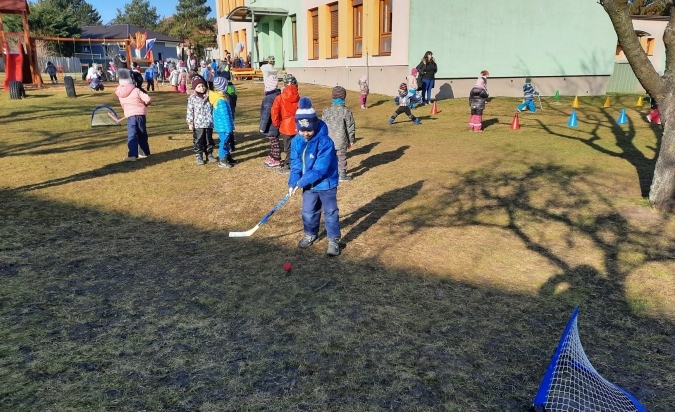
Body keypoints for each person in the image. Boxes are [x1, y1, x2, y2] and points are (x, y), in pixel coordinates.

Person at [287, 97, 342, 257]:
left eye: (309, 130)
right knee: (308, 212)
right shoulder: (297, 141)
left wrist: (301, 181)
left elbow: (320, 169)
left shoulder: (325, 142)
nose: (305, 134)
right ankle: (311, 233)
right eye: (302, 130)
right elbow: (296, 164)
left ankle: (333, 240)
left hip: (326, 183)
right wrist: (292, 182)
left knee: (330, 212)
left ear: (315, 125)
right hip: (309, 186)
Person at [115, 68, 152, 162]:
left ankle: (133, 154)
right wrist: (145, 104)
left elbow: (123, 105)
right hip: (140, 115)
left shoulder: (119, 93)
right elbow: (147, 99)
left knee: (132, 134)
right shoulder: (136, 90)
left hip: (130, 116)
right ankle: (144, 152)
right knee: (142, 133)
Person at [322, 86, 356, 182]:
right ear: (344, 97)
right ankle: (342, 175)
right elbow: (350, 126)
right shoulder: (346, 111)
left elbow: (323, 126)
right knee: (341, 158)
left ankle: (329, 173)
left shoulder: (326, 111)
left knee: (329, 157)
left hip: (329, 140)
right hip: (341, 140)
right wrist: (351, 140)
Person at [271, 73, 300, 174]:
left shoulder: (279, 98)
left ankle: (289, 165)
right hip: (298, 125)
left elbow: (275, 112)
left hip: (286, 126)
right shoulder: (298, 97)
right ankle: (297, 163)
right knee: (297, 146)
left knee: (288, 147)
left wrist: (277, 123)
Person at [186, 76, 218, 165]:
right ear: (195, 88)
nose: (201, 88)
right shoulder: (192, 98)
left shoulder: (209, 96)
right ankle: (199, 155)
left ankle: (209, 154)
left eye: (203, 86)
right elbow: (190, 111)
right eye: (199, 86)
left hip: (208, 123)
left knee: (209, 140)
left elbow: (213, 108)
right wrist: (190, 123)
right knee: (198, 140)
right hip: (198, 123)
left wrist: (214, 119)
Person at [210, 75, 236, 168]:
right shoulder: (220, 100)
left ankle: (227, 156)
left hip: (223, 126)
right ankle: (222, 159)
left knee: (226, 141)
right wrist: (229, 127)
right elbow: (225, 116)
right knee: (224, 142)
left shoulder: (220, 97)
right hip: (224, 126)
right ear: (223, 87)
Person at [260, 75, 282, 168]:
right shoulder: (278, 94)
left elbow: (266, 113)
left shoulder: (269, 98)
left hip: (271, 125)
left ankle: (276, 159)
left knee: (274, 142)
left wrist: (262, 127)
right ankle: (273, 156)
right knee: (273, 141)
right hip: (275, 123)